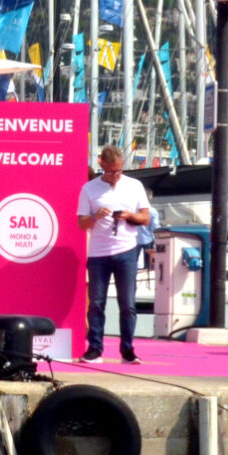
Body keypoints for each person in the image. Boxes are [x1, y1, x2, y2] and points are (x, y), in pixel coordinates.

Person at [76, 144, 151, 364]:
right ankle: (95, 348)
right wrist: (96, 216)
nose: (116, 176)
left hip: (126, 250)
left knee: (127, 303)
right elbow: (81, 223)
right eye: (111, 172)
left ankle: (128, 349)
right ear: (102, 166)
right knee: (96, 303)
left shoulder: (134, 186)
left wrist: (129, 215)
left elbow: (145, 218)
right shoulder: (89, 189)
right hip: (99, 253)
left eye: (119, 171)